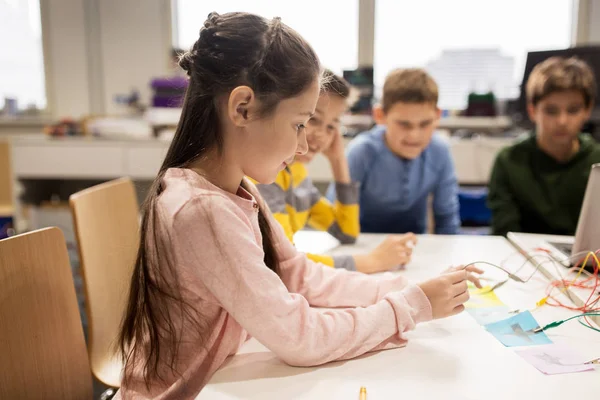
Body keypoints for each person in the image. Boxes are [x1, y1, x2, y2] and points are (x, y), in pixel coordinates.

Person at [116, 12, 482, 399]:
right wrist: (410, 306)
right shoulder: (201, 210)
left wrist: (405, 288)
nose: (306, 146)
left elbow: (298, 275)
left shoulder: (238, 188)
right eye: (299, 124)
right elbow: (299, 338)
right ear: (242, 108)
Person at [256, 69, 415, 273]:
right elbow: (284, 263)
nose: (321, 135)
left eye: (331, 126)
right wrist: (370, 262)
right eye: (313, 120)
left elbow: (345, 232)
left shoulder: (297, 173)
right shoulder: (264, 176)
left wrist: (338, 160)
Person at [327, 68, 460, 235]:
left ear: (437, 116)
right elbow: (336, 216)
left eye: (425, 124)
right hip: (363, 247)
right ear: (380, 115)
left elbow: (447, 218)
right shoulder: (361, 152)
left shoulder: (440, 151)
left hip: (416, 248)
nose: (414, 135)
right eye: (404, 124)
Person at [488, 56, 600, 236]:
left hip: (586, 262)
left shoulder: (596, 161)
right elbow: (504, 233)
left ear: (587, 110)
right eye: (551, 110)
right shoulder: (509, 161)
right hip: (522, 260)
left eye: (573, 110)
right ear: (532, 111)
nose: (562, 121)